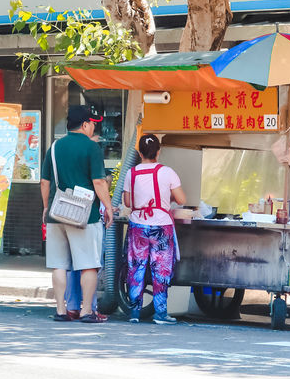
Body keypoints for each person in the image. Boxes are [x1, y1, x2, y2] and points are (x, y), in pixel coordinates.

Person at [41, 105, 114, 323]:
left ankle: (61, 310)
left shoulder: (54, 147)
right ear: (84, 124)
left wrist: (46, 207)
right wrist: (108, 206)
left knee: (59, 264)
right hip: (85, 216)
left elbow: (45, 183)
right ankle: (86, 312)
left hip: (56, 213)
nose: (94, 127)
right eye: (93, 123)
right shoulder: (91, 148)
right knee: (88, 265)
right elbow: (99, 182)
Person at [123, 133, 186, 324]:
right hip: (161, 227)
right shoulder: (167, 172)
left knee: (136, 268)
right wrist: (168, 197)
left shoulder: (131, 173)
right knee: (161, 270)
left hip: (138, 225)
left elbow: (127, 201)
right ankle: (160, 314)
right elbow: (182, 200)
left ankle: (134, 313)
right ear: (158, 152)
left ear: (140, 153)